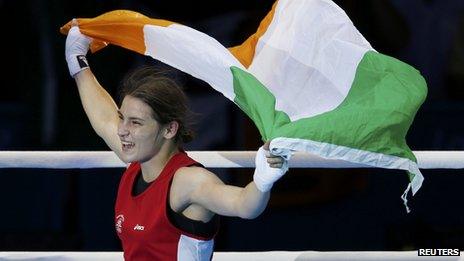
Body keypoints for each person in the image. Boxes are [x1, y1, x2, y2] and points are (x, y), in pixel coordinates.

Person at [65, 23, 288, 261]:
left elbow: (244, 205)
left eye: (135, 123)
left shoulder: (188, 182)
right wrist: (77, 62)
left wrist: (263, 181)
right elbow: (103, 118)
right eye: (123, 118)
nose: (122, 131)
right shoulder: (136, 162)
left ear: (169, 129)